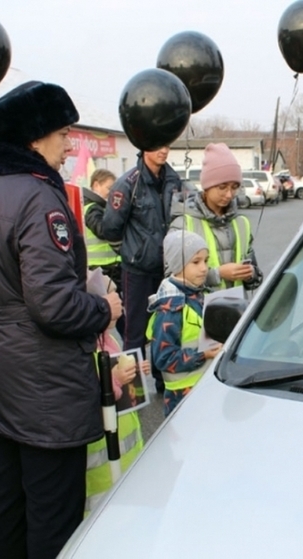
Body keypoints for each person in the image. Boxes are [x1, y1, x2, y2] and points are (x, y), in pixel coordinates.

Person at [0, 81, 122, 559]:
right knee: (54, 513)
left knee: (8, 501)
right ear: (34, 138)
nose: (69, 144)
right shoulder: (37, 197)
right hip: (44, 381)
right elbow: (52, 305)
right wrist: (103, 308)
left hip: (0, 366)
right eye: (63, 133)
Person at [102, 146, 185, 394]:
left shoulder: (174, 181)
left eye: (168, 144)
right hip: (137, 271)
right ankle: (133, 390)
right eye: (158, 145)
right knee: (135, 331)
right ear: (144, 147)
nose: (164, 150)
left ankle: (164, 382)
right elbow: (111, 228)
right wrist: (133, 252)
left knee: (167, 326)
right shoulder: (128, 184)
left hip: (169, 270)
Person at [84, 273, 146, 515]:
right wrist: (118, 380)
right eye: (111, 295)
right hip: (101, 469)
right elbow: (94, 395)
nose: (118, 301)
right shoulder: (87, 350)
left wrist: (135, 374)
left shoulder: (109, 340)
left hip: (123, 455)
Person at [168, 143, 263, 293]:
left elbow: (256, 278)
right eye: (222, 187)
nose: (229, 194)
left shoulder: (242, 223)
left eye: (234, 187)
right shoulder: (183, 224)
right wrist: (217, 274)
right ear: (206, 186)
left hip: (237, 313)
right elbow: (171, 279)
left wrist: (250, 274)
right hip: (197, 314)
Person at [147, 230, 222, 416]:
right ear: (177, 264)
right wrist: (202, 354)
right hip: (182, 395)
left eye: (206, 260)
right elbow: (163, 358)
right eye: (196, 262)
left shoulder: (197, 294)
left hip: (202, 387)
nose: (204, 268)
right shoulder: (171, 307)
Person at [82, 169, 122, 289]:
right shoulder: (91, 208)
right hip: (102, 268)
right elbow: (102, 230)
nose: (111, 193)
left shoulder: (101, 207)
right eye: (109, 188)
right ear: (96, 185)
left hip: (108, 267)